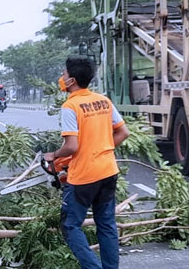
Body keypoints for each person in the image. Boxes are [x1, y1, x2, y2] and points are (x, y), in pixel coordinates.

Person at [43, 56, 129, 269]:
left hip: (84, 177)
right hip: (108, 170)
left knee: (71, 226)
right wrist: (100, 150)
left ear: (71, 81)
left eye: (63, 74)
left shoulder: (71, 105)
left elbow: (71, 146)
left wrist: (54, 155)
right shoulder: (103, 100)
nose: (61, 78)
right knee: (107, 225)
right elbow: (123, 132)